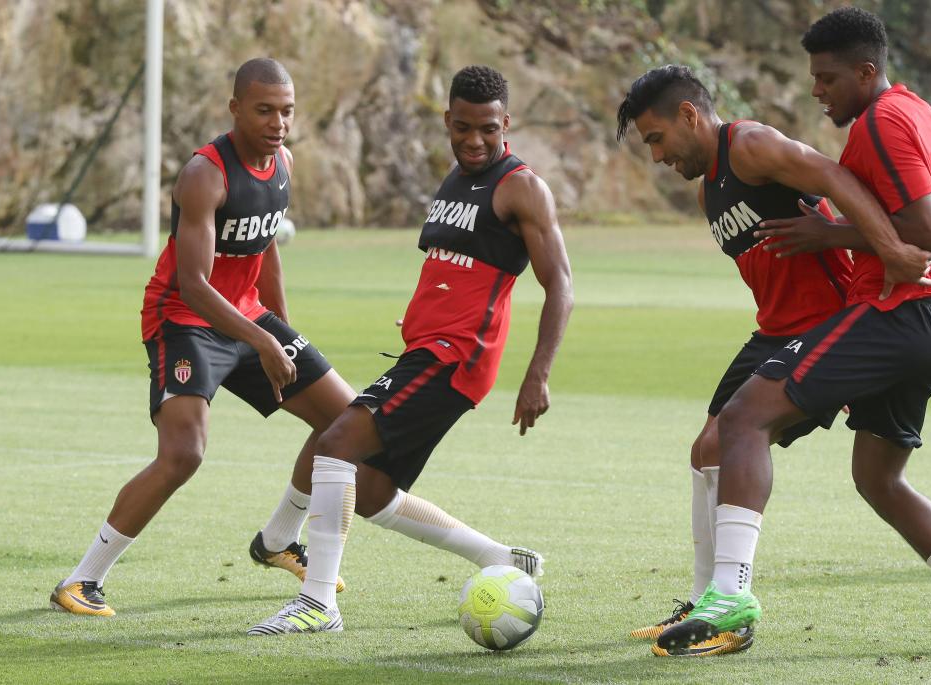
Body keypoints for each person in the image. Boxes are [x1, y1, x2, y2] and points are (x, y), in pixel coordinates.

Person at [50, 59, 554, 617]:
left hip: (249, 316)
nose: (277, 122)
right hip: (187, 320)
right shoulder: (205, 174)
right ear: (236, 107)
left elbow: (264, 244)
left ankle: (276, 541)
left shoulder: (283, 163)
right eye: (264, 110)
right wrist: (264, 342)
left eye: (286, 111)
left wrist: (282, 333)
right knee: (184, 454)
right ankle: (82, 579)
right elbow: (192, 285)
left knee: (341, 427)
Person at [658, 7, 931, 653]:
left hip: (894, 310)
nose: (816, 90)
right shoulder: (919, 112)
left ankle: (729, 595)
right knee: (879, 479)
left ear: (866, 72)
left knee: (741, 421)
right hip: (920, 320)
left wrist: (832, 233)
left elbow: (926, 235)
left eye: (826, 78)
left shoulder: (882, 122)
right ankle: (714, 597)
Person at [247, 64, 573, 636]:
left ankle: (318, 603)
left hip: (456, 357)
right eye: (463, 127)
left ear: (507, 125)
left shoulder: (521, 186)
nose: (475, 141)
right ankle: (496, 556)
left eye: (488, 130)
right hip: (428, 347)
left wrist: (538, 374)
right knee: (371, 494)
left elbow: (560, 285)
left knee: (337, 441)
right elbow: (455, 267)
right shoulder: (456, 178)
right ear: (447, 120)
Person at [615, 64, 859, 656]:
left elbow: (833, 176)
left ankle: (733, 608)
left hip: (830, 326)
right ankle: (707, 605)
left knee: (878, 473)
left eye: (656, 138)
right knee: (704, 451)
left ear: (689, 116)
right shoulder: (709, 189)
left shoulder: (751, 146)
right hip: (775, 332)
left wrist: (859, 239)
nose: (656, 156)